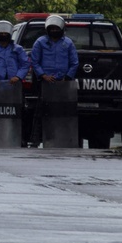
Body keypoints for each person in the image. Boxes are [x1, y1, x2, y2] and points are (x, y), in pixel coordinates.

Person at [29, 15, 78, 146]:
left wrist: (67, 77)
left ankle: (64, 139)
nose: (54, 30)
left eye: (57, 28)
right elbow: (34, 61)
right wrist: (43, 75)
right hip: (45, 84)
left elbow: (74, 63)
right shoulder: (40, 42)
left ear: (61, 28)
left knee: (63, 113)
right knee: (40, 113)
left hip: (63, 85)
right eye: (52, 28)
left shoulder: (68, 43)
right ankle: (35, 141)